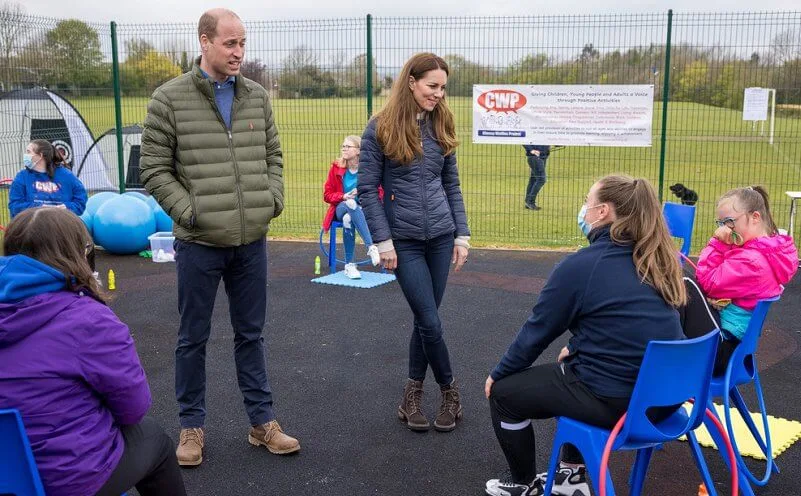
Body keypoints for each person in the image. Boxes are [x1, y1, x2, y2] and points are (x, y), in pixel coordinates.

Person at [139, 7, 298, 467]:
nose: (239, 52)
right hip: (199, 245)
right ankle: (192, 428)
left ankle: (261, 423)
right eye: (230, 43)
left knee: (251, 335)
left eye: (243, 43)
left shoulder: (256, 96)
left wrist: (272, 201)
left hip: (252, 243)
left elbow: (273, 155)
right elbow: (153, 169)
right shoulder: (168, 99)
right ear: (205, 41)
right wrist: (191, 213)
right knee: (193, 338)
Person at [484, 175, 687, 496]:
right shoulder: (657, 259)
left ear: (603, 211)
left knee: (505, 396)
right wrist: (578, 349)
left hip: (623, 407)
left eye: (586, 202)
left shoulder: (583, 266)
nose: (583, 209)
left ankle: (524, 484)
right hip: (666, 401)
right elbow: (628, 324)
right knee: (570, 371)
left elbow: (538, 331)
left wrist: (498, 374)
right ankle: (569, 477)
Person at [0, 208, 186, 496]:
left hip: (7, 479)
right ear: (77, 254)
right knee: (155, 439)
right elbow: (133, 408)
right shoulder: (89, 320)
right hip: (68, 481)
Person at [359, 52, 470, 433]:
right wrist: (383, 241)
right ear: (411, 82)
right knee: (429, 319)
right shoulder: (380, 128)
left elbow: (451, 184)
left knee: (427, 320)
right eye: (432, 86)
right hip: (402, 241)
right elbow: (366, 192)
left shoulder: (443, 123)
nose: (438, 94)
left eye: (443, 88)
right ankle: (451, 392)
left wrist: (462, 234)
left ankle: (411, 397)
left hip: (440, 237)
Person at [680, 186, 797, 376]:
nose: (724, 229)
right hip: (733, 343)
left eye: (729, 222)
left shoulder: (751, 261)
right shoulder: (760, 253)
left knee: (685, 283)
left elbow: (707, 282)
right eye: (721, 222)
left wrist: (717, 244)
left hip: (723, 350)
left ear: (755, 217)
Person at [322, 135, 381, 279]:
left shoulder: (367, 170)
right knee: (349, 204)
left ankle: (349, 265)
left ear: (358, 151)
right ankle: (371, 246)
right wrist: (343, 196)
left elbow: (380, 192)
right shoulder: (336, 167)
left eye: (348, 146)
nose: (344, 149)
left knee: (349, 218)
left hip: (363, 210)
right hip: (340, 208)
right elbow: (327, 195)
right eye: (343, 146)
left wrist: (361, 193)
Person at [8, 139, 87, 217]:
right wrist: (38, 208)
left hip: (61, 225)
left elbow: (80, 202)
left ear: (40, 155)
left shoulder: (67, 176)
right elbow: (14, 206)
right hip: (31, 225)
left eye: (28, 152)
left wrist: (67, 207)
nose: (25, 155)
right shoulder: (22, 177)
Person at [522, 145, 550, 210]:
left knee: (534, 179)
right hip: (535, 157)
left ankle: (528, 201)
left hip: (543, 156)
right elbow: (524, 139)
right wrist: (531, 150)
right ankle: (530, 201)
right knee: (541, 179)